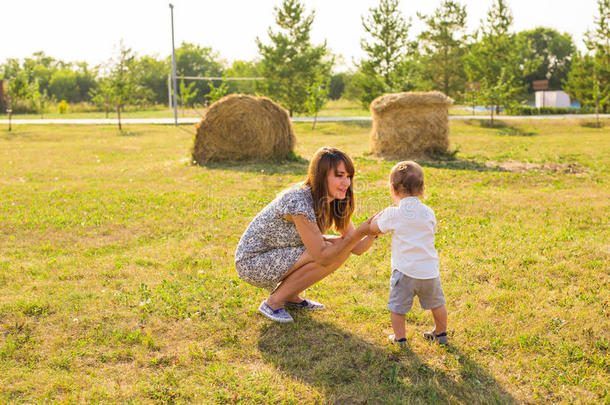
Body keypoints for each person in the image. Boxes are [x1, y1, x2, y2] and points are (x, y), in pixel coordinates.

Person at [235, 146, 379, 323]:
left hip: (281, 253)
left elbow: (355, 247)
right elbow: (321, 255)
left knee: (340, 247)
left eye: (349, 176)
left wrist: (374, 232)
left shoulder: (334, 201)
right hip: (253, 261)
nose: (346, 183)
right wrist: (360, 232)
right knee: (328, 249)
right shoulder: (299, 200)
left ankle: (290, 296)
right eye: (339, 176)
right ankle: (273, 303)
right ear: (321, 176)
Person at [370, 161, 449, 345]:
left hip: (404, 272)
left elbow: (375, 228)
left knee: (398, 308)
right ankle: (441, 334)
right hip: (429, 272)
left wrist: (378, 217)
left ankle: (400, 338)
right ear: (422, 190)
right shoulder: (429, 212)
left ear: (393, 189)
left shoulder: (393, 213)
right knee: (437, 304)